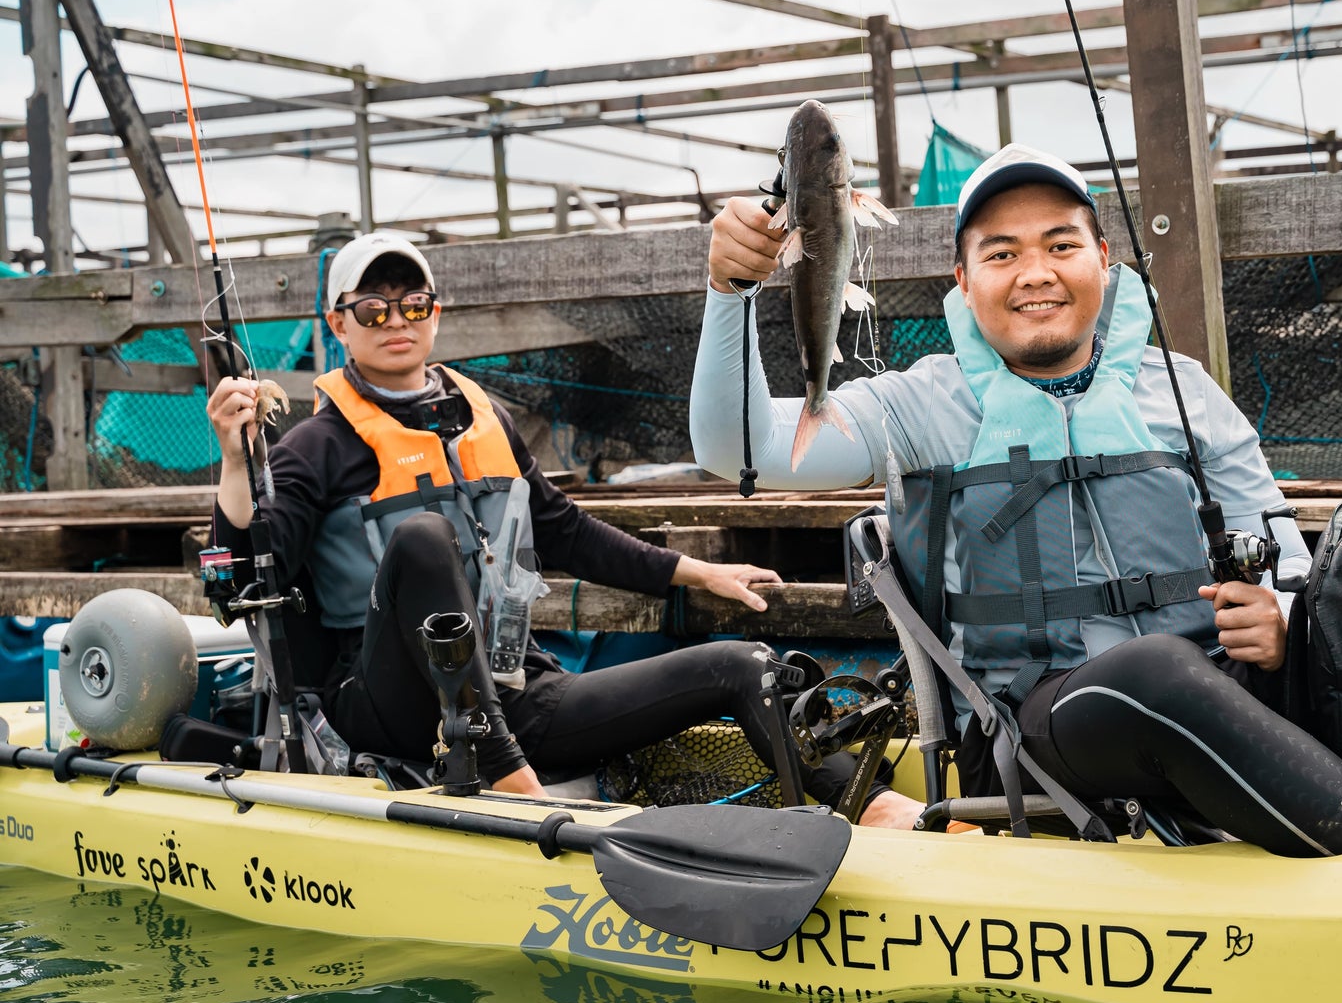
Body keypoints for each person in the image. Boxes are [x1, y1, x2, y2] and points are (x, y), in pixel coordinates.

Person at [691, 144, 1342, 865]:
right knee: (1155, 672)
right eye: (1001, 252)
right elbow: (734, 448)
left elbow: (1290, 562)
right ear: (963, 283)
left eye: (1061, 244)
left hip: (1245, 704)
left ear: (1102, 263)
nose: (1035, 272)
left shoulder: (1185, 391)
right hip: (1050, 737)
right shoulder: (927, 407)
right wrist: (731, 294)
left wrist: (1290, 615)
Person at [205, 230, 899, 816]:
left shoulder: (485, 417)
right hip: (393, 710)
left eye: (413, 304)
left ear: (435, 314)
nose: (397, 321)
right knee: (423, 539)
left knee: (741, 665)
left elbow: (564, 530)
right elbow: (237, 582)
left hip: (517, 689)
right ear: (339, 323)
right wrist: (236, 467)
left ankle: (878, 809)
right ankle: (518, 789)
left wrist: (695, 571)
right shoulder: (315, 447)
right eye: (374, 309)